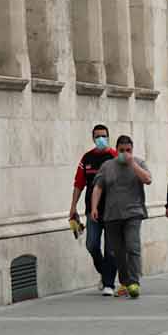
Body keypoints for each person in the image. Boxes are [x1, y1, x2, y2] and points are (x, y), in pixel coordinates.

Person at [90, 134, 152, 297]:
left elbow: (147, 179)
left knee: (132, 247)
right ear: (116, 150)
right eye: (122, 150)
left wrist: (132, 164)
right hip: (112, 214)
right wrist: (94, 207)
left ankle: (134, 282)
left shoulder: (139, 163)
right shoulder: (107, 166)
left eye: (128, 150)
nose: (125, 153)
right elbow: (98, 187)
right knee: (117, 252)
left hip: (133, 212)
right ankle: (125, 281)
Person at [68, 123, 117, 295]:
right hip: (92, 210)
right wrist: (73, 207)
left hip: (112, 210)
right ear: (93, 138)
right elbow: (79, 183)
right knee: (91, 244)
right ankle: (105, 274)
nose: (101, 139)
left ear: (108, 137)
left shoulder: (114, 156)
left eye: (103, 135)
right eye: (97, 136)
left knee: (111, 249)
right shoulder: (87, 158)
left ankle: (109, 284)